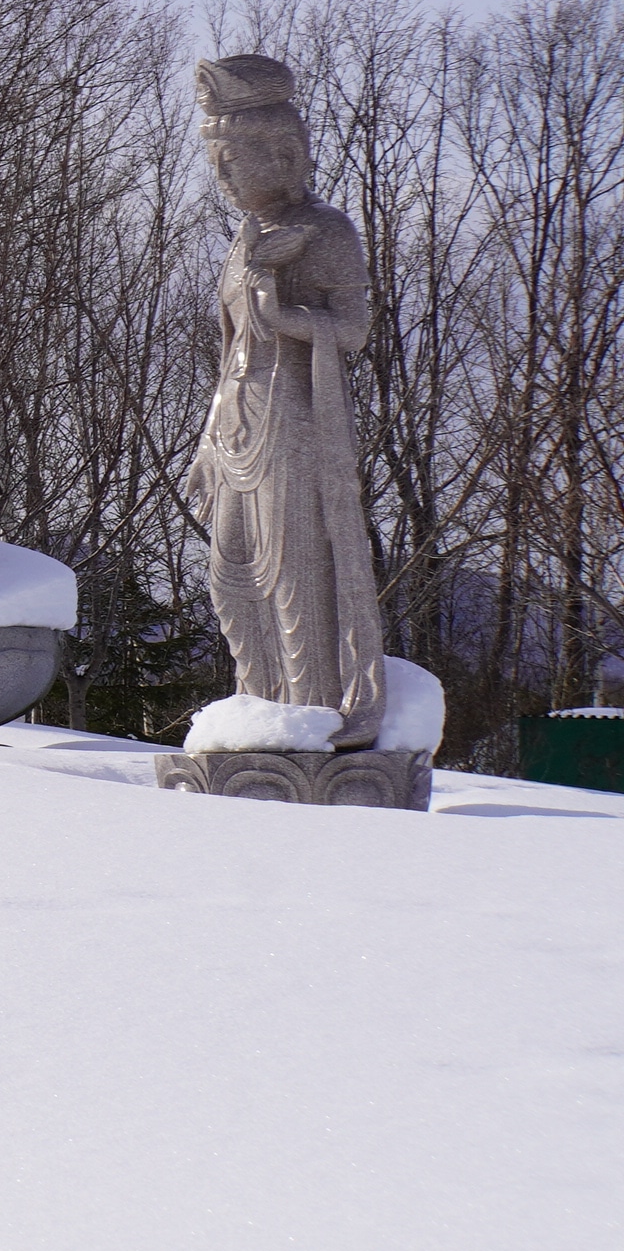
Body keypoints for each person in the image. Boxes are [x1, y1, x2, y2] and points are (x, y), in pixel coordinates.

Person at [189, 53, 384, 748]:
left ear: (286, 152)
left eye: (232, 157)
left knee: (295, 582)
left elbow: (353, 330)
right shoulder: (244, 241)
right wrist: (208, 443)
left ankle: (311, 720)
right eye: (214, 158)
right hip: (239, 424)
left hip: (295, 424)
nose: (222, 174)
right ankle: (261, 710)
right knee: (233, 584)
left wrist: (282, 311)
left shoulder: (327, 232)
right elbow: (228, 352)